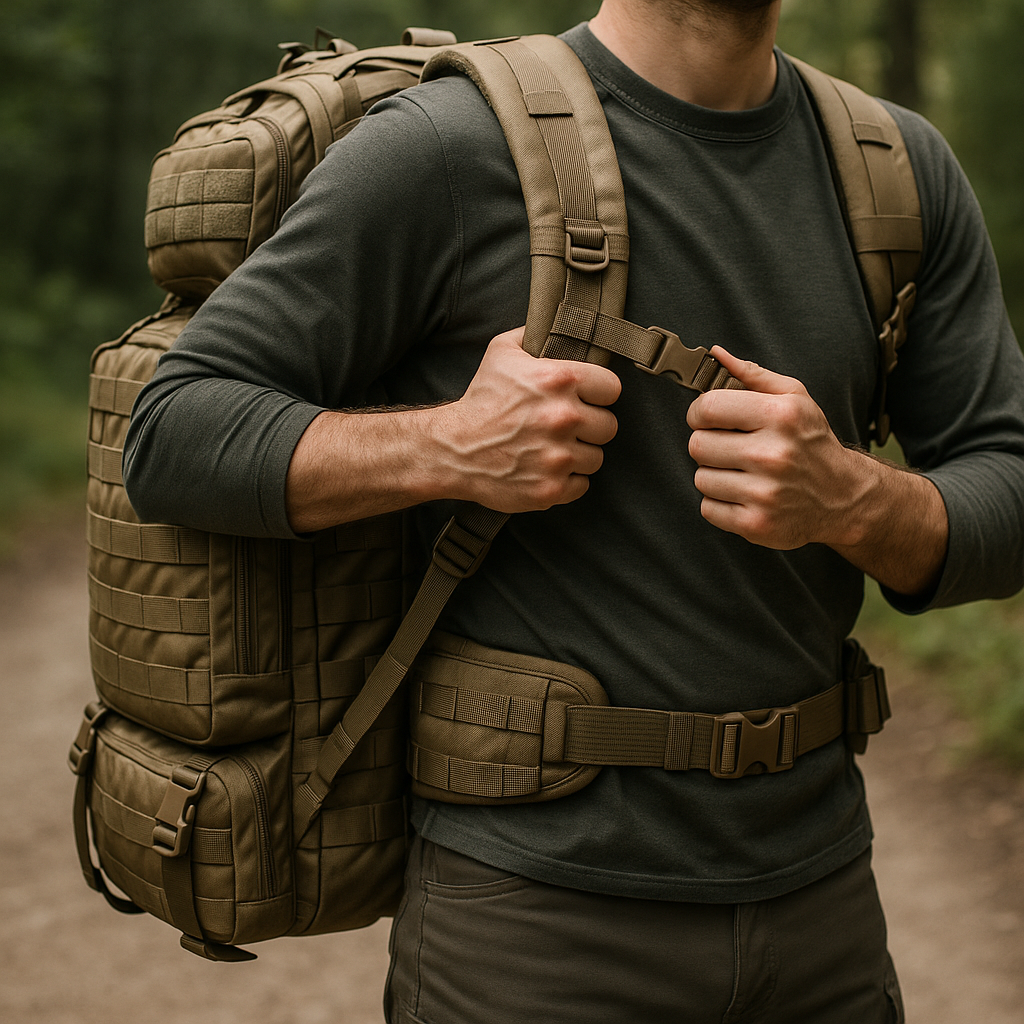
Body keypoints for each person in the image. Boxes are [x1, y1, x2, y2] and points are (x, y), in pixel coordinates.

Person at [123, 1, 1024, 1021]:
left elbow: (1007, 485)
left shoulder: (895, 171)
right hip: (532, 923)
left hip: (822, 906)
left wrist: (852, 498)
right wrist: (448, 444)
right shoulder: (450, 146)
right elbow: (174, 431)